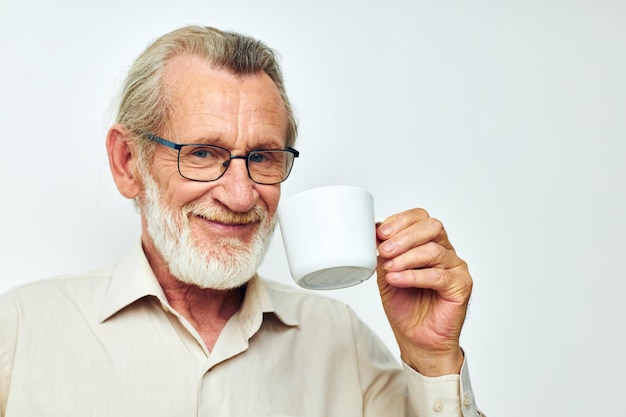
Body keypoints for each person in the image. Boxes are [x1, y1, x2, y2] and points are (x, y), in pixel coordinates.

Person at [0, 26, 483, 416]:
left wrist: (432, 358)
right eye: (204, 153)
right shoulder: (19, 330)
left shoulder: (342, 342)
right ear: (129, 163)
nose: (240, 194)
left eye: (263, 156)